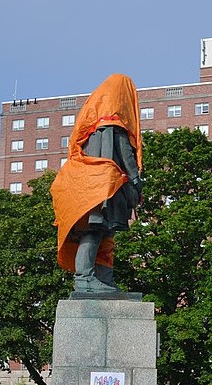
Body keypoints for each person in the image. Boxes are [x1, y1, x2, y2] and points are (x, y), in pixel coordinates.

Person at [51, 73, 143, 297]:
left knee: (101, 232)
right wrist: (136, 179)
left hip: (89, 187)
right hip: (106, 186)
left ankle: (102, 278)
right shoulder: (114, 122)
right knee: (96, 231)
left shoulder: (91, 126)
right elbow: (124, 153)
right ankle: (85, 278)